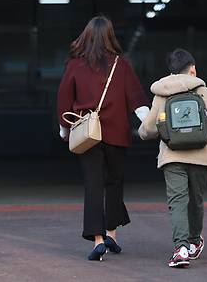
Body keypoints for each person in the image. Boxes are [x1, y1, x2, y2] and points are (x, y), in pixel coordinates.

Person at [57, 16, 150, 261]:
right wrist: (150, 125)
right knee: (114, 183)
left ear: (86, 36)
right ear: (111, 36)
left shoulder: (75, 65)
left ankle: (98, 240)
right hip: (116, 133)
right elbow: (137, 99)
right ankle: (111, 234)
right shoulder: (122, 65)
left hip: (87, 134)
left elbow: (64, 99)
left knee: (93, 184)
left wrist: (65, 130)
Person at [138, 48, 207, 268]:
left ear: (170, 71)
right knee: (195, 202)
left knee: (177, 202)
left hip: (172, 156)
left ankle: (180, 248)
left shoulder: (162, 92)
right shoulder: (205, 93)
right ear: (193, 69)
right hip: (201, 155)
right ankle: (194, 242)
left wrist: (142, 131)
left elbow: (149, 129)